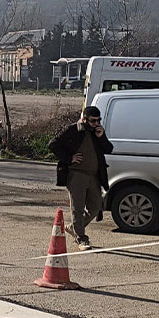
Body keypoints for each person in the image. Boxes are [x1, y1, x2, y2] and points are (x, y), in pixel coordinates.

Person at [47, 105, 114, 250]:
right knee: (77, 208)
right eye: (93, 121)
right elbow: (53, 145)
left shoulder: (97, 131)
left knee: (96, 207)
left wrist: (101, 137)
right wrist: (69, 158)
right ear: (84, 119)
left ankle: (74, 228)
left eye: (98, 120)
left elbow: (109, 149)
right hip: (76, 175)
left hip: (94, 176)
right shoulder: (72, 130)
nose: (96, 123)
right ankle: (81, 239)